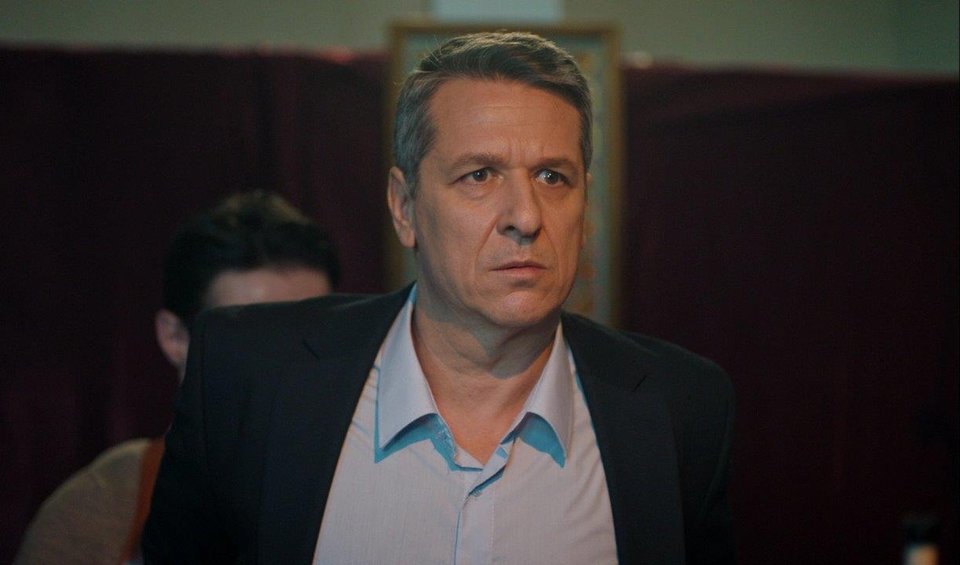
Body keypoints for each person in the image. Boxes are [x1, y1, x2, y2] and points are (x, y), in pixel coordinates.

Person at [143, 32, 736, 564]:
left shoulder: (678, 408)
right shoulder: (250, 375)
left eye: (552, 177)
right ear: (405, 208)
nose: (526, 217)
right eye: (479, 175)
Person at [15, 191, 340, 565]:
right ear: (175, 338)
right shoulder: (107, 501)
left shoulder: (368, 485)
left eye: (311, 337)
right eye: (249, 340)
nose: (285, 365)